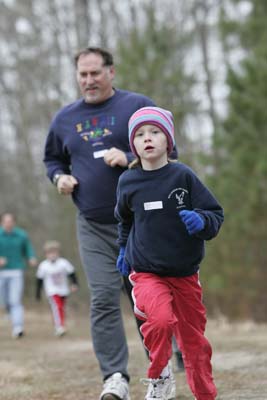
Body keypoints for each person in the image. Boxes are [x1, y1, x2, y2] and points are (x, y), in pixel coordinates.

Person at [43, 46, 159, 400]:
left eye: (95, 73)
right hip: (93, 224)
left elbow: (170, 149)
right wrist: (59, 178)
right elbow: (52, 160)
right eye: (83, 74)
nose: (89, 80)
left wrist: (128, 156)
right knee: (105, 299)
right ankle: (115, 377)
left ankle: (160, 369)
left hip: (139, 222)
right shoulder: (65, 119)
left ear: (111, 72)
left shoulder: (136, 106)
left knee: (146, 300)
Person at [115, 106, 224, 400]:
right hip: (147, 271)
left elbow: (215, 215)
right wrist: (123, 248)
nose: (147, 138)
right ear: (133, 145)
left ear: (168, 141)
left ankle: (205, 394)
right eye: (139, 134)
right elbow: (125, 219)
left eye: (154, 132)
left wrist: (201, 221)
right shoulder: (128, 182)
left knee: (194, 343)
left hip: (185, 273)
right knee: (161, 321)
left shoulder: (183, 176)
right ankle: (159, 376)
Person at [0, 212, 37, 338]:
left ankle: (18, 327)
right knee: (4, 300)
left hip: (16, 271)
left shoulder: (21, 235)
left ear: (14, 222)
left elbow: (28, 249)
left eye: (10, 221)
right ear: (2, 222)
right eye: (6, 221)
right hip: (1, 272)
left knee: (15, 300)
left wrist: (31, 257)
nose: (8, 223)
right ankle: (8, 310)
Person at [36, 240, 78, 336]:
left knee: (61, 308)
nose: (52, 255)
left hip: (63, 290)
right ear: (46, 254)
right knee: (57, 306)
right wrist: (38, 293)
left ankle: (59, 325)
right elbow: (39, 280)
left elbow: (72, 274)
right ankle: (60, 327)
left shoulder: (63, 263)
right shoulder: (44, 265)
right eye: (49, 253)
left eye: (54, 252)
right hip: (52, 290)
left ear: (58, 253)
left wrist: (74, 284)